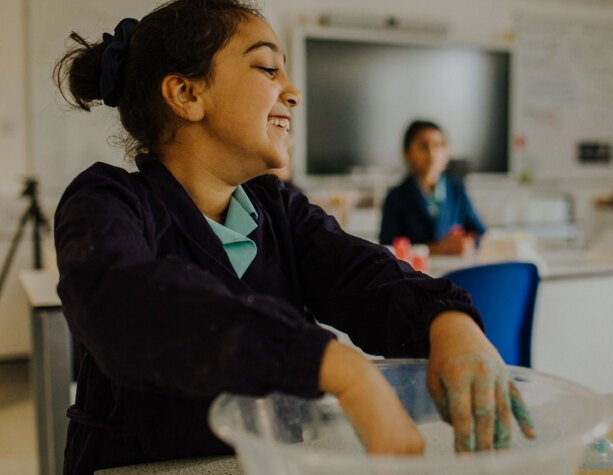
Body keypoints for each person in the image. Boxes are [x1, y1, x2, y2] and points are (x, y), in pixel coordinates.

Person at [53, 1, 532, 473]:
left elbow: (363, 276)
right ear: (186, 94)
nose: (294, 91)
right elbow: (123, 305)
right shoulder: (106, 200)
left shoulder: (276, 207)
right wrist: (336, 366)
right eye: (267, 68)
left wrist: (450, 323)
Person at [379, 120, 486, 255]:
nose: (432, 153)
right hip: (414, 273)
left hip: (452, 269)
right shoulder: (396, 197)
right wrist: (436, 249)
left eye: (438, 145)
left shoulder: (456, 188)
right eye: (423, 146)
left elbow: (479, 232)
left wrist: (466, 243)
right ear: (407, 153)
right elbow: (387, 249)